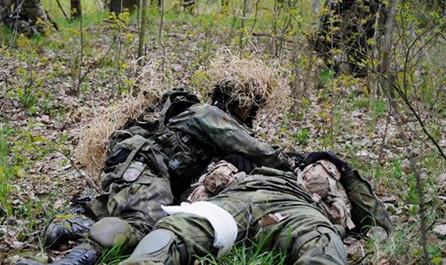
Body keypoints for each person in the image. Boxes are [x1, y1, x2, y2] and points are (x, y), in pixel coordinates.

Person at [21, 81, 294, 265]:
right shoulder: (209, 115)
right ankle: (74, 259)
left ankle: (72, 222)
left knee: (129, 208)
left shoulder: (195, 118)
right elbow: (257, 150)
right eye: (248, 109)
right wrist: (292, 164)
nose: (249, 117)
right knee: (146, 225)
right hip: (145, 168)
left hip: (133, 168)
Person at [120, 151, 392, 265]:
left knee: (320, 240)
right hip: (243, 195)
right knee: (180, 227)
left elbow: (377, 221)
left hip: (295, 205)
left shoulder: (327, 178)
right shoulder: (248, 163)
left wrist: (346, 171)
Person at [300, 0, 379, 77]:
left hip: (354, 32)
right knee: (320, 44)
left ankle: (342, 78)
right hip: (353, 32)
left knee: (358, 68)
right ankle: (339, 77)